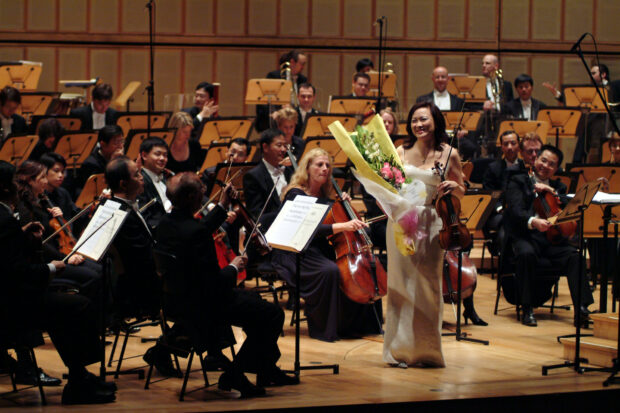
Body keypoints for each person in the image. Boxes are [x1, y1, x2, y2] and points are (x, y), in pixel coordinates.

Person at [156, 172, 298, 397]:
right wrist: (234, 266)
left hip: (177, 302)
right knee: (272, 315)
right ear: (192, 196)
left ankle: (265, 369)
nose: (206, 191)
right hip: (205, 306)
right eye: (202, 188)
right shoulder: (194, 233)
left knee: (256, 302)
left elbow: (199, 231)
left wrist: (222, 205)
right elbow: (215, 284)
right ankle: (235, 374)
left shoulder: (166, 223)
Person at [0, 160, 116, 405]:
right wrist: (53, 267)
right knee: (76, 306)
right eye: (12, 182)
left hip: (11, 296)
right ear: (4, 187)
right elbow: (14, 270)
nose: (16, 186)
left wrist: (22, 236)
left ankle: (80, 377)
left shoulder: (4, 216)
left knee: (67, 305)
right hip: (11, 305)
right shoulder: (4, 218)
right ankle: (78, 381)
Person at [383, 101, 466, 367]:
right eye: (415, 120)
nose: (419, 125)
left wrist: (455, 186)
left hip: (432, 221)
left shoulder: (449, 153)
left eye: (424, 119)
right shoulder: (400, 151)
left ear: (435, 121)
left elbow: (461, 189)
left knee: (428, 286)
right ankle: (399, 351)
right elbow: (386, 188)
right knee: (400, 285)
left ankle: (428, 351)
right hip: (402, 221)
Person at [271, 148, 382, 342]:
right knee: (330, 271)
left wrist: (343, 206)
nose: (324, 169)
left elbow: (331, 225)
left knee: (357, 270)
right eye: (319, 164)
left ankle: (356, 326)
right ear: (307, 168)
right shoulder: (295, 194)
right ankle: (326, 329)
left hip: (319, 249)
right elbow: (309, 229)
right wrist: (343, 225)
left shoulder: (327, 195)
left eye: (327, 165)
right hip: (296, 251)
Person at [504, 145, 594, 327]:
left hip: (552, 240)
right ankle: (527, 308)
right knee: (526, 254)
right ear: (536, 159)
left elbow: (568, 215)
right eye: (543, 160)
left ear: (556, 169)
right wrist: (533, 221)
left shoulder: (559, 187)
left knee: (575, 257)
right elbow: (514, 211)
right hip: (527, 236)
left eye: (551, 164)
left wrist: (558, 200)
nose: (545, 166)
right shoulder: (519, 181)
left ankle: (582, 309)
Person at [14, 161, 102, 304]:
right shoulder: (24, 209)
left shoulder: (42, 201)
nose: (45, 181)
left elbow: (57, 230)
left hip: (59, 255)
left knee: (100, 268)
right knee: (92, 276)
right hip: (47, 262)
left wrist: (59, 217)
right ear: (29, 180)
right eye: (42, 177)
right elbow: (41, 244)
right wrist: (66, 258)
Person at [243, 129, 291, 222]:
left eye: (285, 146)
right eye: (279, 145)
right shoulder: (253, 176)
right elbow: (256, 213)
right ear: (265, 147)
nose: (283, 149)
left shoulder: (289, 170)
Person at [256, 50, 308, 132]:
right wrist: (278, 111)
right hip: (275, 120)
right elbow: (263, 100)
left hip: (293, 122)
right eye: (302, 63)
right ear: (292, 62)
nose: (303, 67)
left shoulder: (302, 79)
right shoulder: (274, 76)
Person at [74, 125, 125, 198]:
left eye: (122, 141)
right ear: (103, 144)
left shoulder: (120, 158)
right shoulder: (91, 164)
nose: (121, 146)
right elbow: (97, 190)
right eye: (116, 143)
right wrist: (112, 163)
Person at [136, 137, 172, 231]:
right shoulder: (139, 183)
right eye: (157, 154)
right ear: (144, 155)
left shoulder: (168, 175)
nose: (162, 158)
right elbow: (147, 218)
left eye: (165, 155)